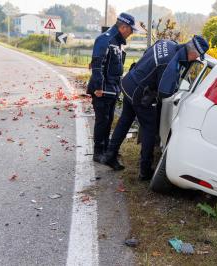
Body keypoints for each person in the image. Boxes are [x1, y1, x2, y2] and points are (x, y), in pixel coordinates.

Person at [101, 36, 209, 180]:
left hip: (129, 82)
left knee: (125, 120)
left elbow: (148, 52)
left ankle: (110, 154)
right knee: (149, 130)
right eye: (197, 56)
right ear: (194, 53)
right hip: (140, 93)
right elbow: (165, 92)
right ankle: (145, 171)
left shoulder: (168, 44)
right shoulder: (171, 62)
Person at [87, 13, 137, 162]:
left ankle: (107, 149)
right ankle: (98, 152)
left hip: (112, 89)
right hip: (102, 89)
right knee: (102, 121)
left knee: (108, 121)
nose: (131, 33)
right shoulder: (105, 39)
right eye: (131, 30)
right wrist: (98, 87)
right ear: (123, 27)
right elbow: (97, 64)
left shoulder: (117, 42)